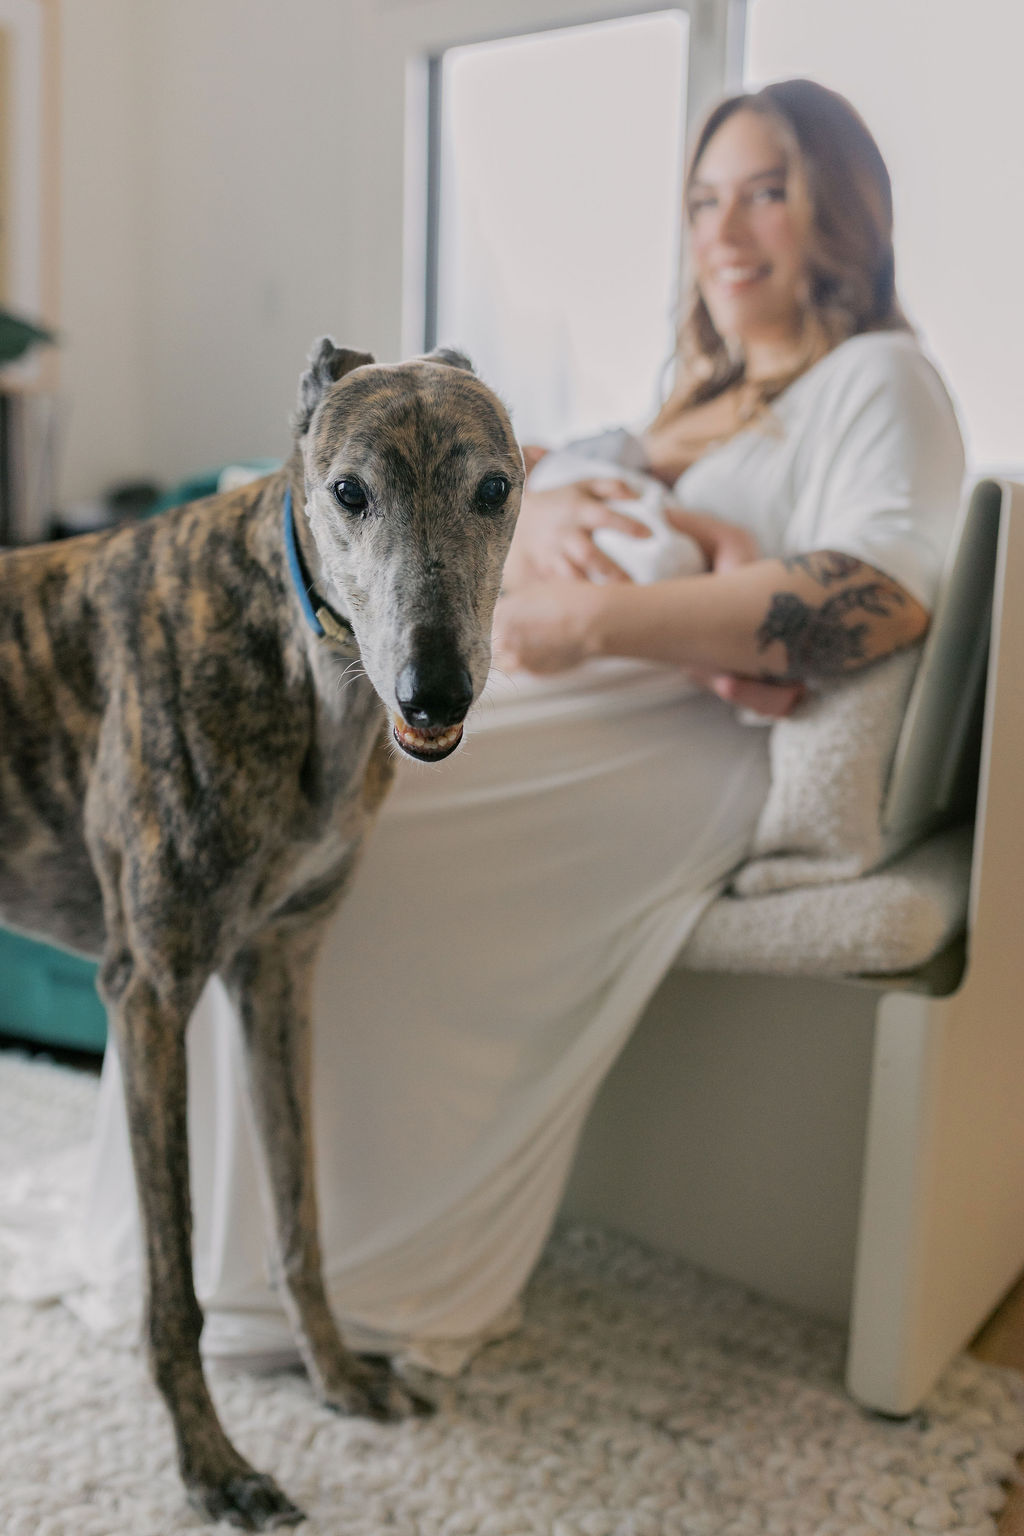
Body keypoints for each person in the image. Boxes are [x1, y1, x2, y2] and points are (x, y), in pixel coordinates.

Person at [74, 80, 964, 1375]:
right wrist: (541, 512)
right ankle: (201, 1264)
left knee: (311, 851)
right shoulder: (687, 408)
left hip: (655, 742)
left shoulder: (881, 378)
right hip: (558, 686)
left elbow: (882, 592)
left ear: (850, 210)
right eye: (705, 198)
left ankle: (319, 1283)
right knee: (223, 816)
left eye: (770, 190)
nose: (726, 228)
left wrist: (579, 628)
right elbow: (518, 481)